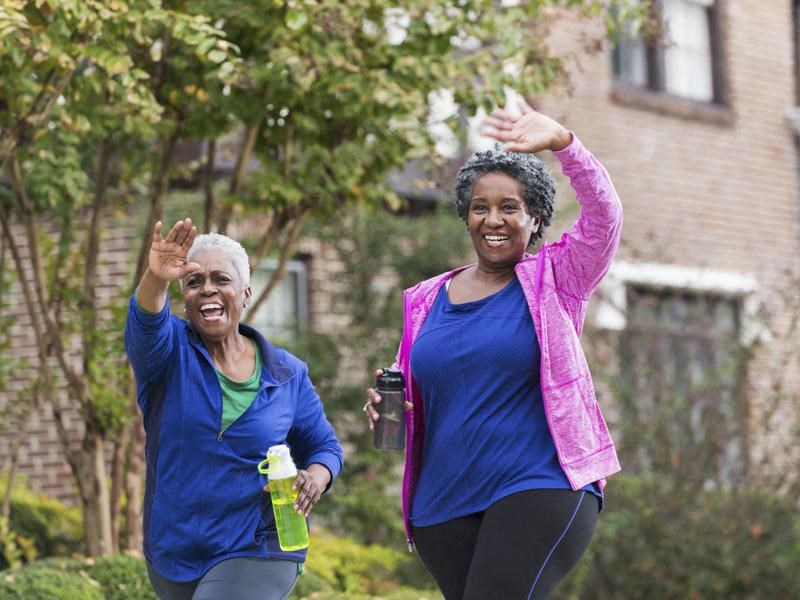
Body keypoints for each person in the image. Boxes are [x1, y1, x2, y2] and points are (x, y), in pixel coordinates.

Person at [363, 101, 622, 600]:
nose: (493, 219)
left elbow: (604, 220)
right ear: (466, 215)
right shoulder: (424, 300)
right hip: (442, 503)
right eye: (480, 207)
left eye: (509, 207)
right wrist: (387, 408)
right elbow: (414, 388)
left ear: (535, 217)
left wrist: (568, 145)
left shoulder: (557, 279)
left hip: (539, 484)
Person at [125, 220, 343, 600]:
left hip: (259, 545)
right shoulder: (167, 354)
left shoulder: (287, 374)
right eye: (194, 282)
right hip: (172, 551)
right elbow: (145, 323)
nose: (207, 288)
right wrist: (155, 278)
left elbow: (325, 446)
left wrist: (316, 477)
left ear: (244, 293)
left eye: (220, 279)